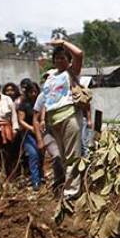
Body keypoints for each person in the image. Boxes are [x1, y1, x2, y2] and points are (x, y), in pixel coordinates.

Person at [36, 39, 84, 215]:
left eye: (63, 57)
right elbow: (47, 100)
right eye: (57, 58)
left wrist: (62, 42)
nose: (60, 61)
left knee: (72, 157)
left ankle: (71, 194)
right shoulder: (50, 76)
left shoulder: (71, 73)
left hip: (69, 115)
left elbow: (79, 54)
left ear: (68, 60)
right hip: (54, 120)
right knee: (63, 157)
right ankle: (68, 188)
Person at [18, 82, 44, 190]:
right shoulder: (24, 105)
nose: (33, 94)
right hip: (28, 134)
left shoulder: (41, 102)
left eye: (35, 91)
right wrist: (31, 128)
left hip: (41, 132)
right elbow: (21, 120)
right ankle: (35, 181)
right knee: (33, 155)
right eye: (31, 92)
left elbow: (43, 115)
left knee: (41, 155)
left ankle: (41, 176)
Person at [0, 80, 19, 177]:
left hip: (7, 129)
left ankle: (11, 176)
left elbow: (14, 115)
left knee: (8, 154)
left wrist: (15, 128)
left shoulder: (7, 99)